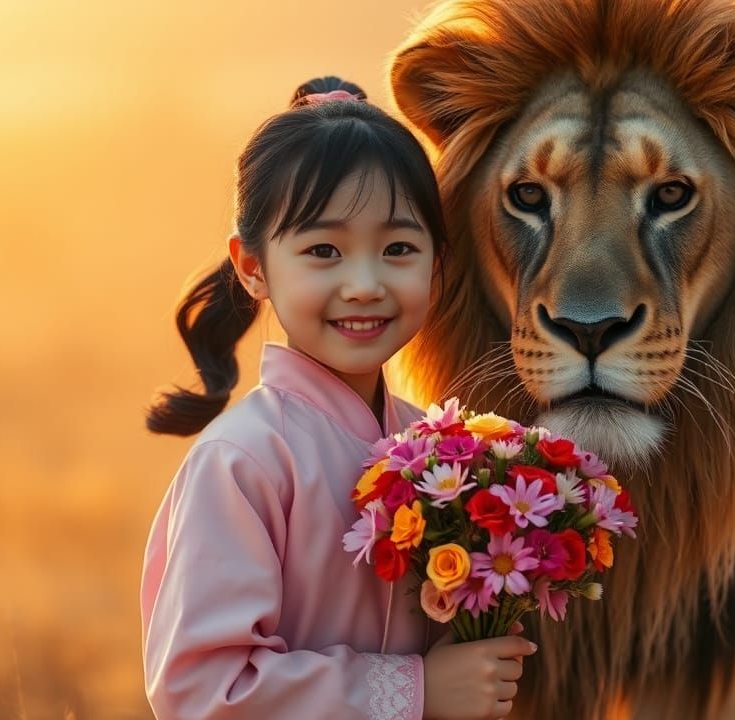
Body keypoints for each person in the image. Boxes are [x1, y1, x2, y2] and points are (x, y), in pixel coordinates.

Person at [140, 76, 536, 720]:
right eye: (324, 250)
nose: (364, 285)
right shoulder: (243, 462)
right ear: (253, 266)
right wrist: (415, 691)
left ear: (437, 263)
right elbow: (204, 689)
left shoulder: (446, 455)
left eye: (398, 249)